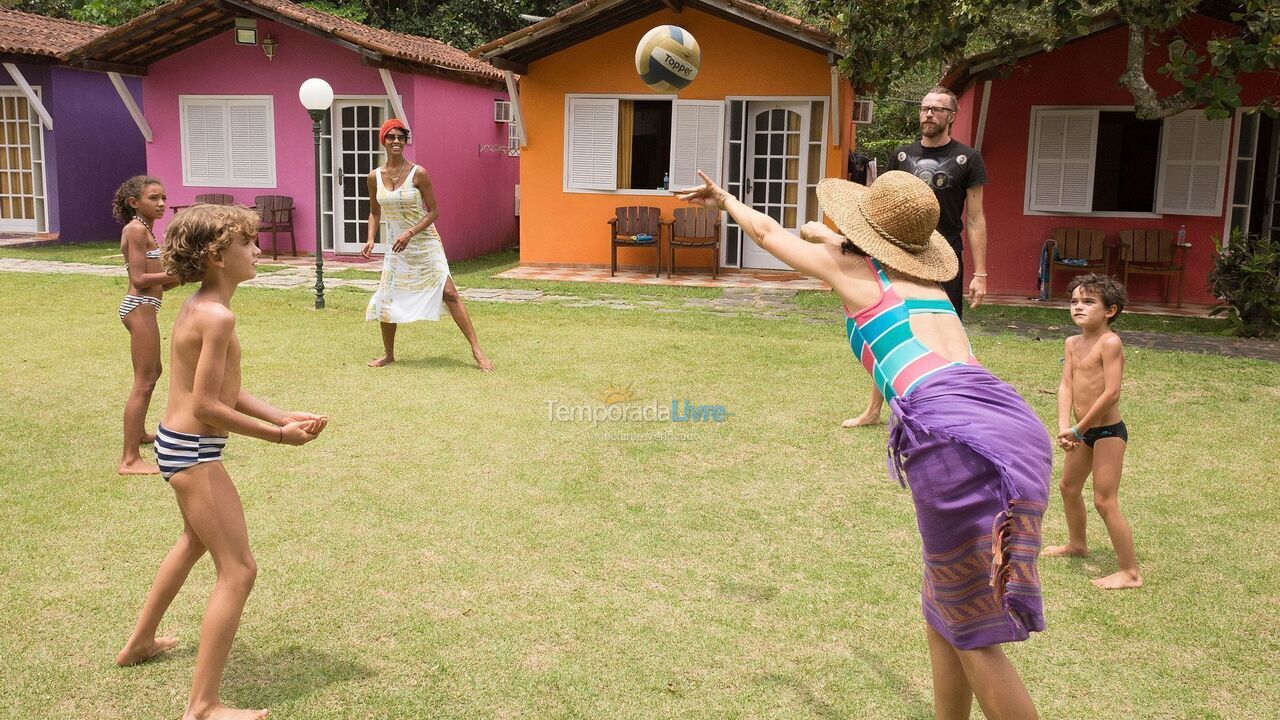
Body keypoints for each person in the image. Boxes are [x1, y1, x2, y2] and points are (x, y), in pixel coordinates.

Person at [677, 169, 1050, 720]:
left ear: (863, 232)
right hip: (1011, 426)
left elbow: (766, 233)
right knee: (943, 599)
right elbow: (824, 239)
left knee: (974, 629)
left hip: (953, 438)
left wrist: (726, 198)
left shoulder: (852, 272)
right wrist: (823, 234)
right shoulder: (928, 287)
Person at [115, 204, 328, 720]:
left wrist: (282, 413)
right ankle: (203, 706)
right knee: (239, 570)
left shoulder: (201, 306)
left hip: (178, 445)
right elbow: (208, 407)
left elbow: (222, 390)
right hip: (192, 453)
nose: (257, 250)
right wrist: (279, 436)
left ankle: (139, 643)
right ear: (216, 255)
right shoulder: (218, 316)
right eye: (247, 243)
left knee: (194, 542)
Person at [844, 85, 989, 428]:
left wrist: (980, 273)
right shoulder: (901, 156)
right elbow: (882, 205)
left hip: (946, 258)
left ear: (952, 116)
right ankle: (874, 409)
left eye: (937, 109)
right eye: (925, 108)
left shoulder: (968, 158)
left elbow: (975, 218)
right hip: (899, 254)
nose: (928, 114)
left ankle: (950, 410)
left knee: (945, 335)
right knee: (890, 328)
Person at [362, 118, 493, 371]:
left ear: (405, 142)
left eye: (401, 137)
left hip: (424, 242)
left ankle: (477, 351)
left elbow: (434, 212)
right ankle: (388, 354)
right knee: (387, 296)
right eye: (391, 137)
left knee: (450, 293)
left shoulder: (418, 173)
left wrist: (410, 233)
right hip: (396, 246)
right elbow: (375, 212)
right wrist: (370, 239)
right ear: (383, 141)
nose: (396, 141)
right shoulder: (374, 177)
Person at [1043, 274, 1142, 590]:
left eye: (1088, 302)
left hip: (1108, 432)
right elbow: (1066, 385)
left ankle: (1130, 572)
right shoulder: (1072, 343)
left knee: (1104, 500)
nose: (1078, 307)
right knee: (1068, 487)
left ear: (1110, 311)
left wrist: (1078, 428)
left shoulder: (1110, 342)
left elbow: (1112, 393)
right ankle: (1077, 544)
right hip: (1080, 432)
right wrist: (1064, 427)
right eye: (1074, 301)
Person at [115, 175, 177, 475]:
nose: (161, 203)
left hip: (147, 307)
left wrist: (182, 275)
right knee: (144, 380)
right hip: (139, 307)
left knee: (155, 372)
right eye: (154, 198)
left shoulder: (146, 229)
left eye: (163, 197)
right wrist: (180, 271)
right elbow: (139, 280)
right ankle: (129, 460)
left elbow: (162, 284)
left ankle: (139, 433)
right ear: (134, 202)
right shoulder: (136, 229)